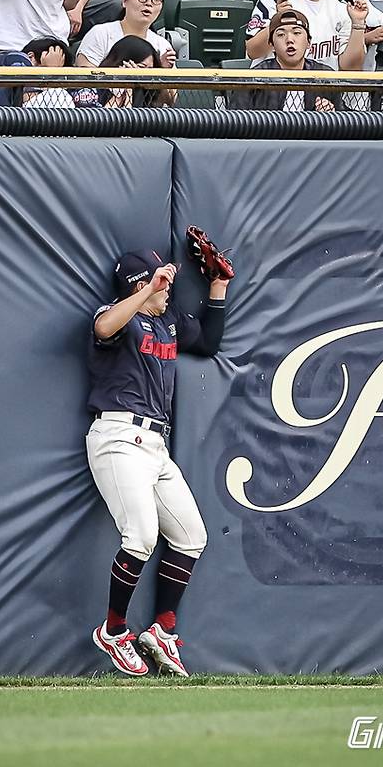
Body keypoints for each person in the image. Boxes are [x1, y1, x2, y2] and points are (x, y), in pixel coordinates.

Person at [86, 250, 228, 676]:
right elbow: (103, 326)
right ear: (138, 285)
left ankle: (161, 630)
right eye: (161, 284)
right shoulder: (120, 315)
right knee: (142, 536)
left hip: (155, 444)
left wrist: (218, 286)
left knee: (191, 535)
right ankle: (113, 632)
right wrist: (148, 288)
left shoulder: (168, 320)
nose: (169, 291)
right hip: (116, 436)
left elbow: (207, 342)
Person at [232, 9, 342, 110]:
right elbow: (236, 122)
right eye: (281, 34)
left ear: (309, 42)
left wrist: (330, 116)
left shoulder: (325, 77)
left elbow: (344, 120)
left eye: (297, 33)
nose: (289, 40)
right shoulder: (252, 80)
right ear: (272, 45)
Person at [76, 0, 175, 67]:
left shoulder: (163, 46)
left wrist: (160, 69)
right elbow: (85, 79)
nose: (149, 3)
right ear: (124, 1)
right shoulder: (101, 34)